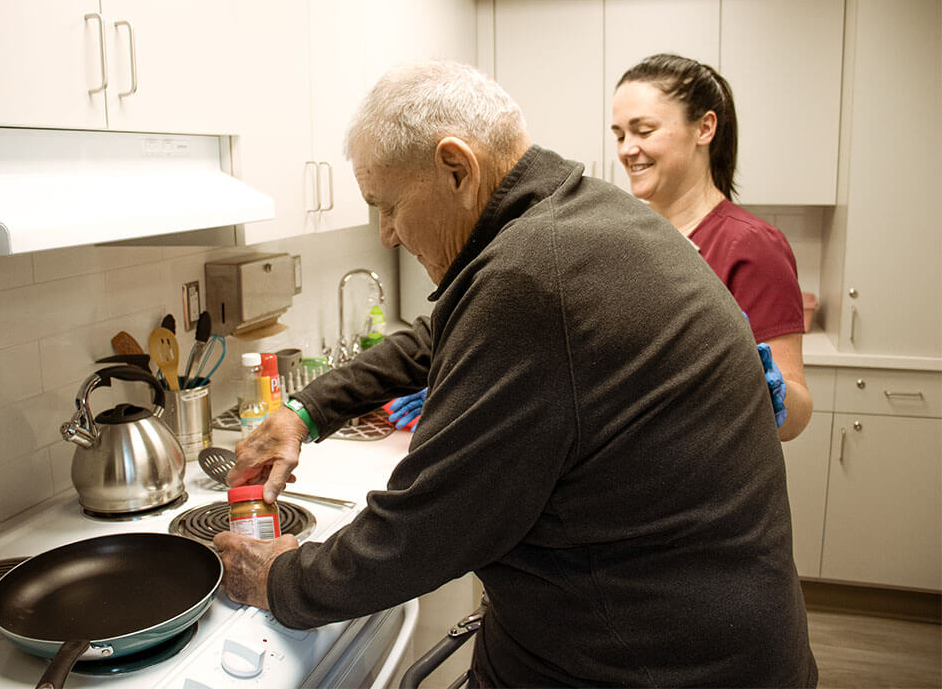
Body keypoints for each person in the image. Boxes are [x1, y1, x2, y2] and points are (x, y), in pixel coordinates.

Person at [213, 60, 816, 687]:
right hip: (679, 634)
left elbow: (425, 528)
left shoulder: (532, 275)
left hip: (651, 663)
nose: (387, 233)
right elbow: (437, 334)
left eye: (386, 205)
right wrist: (307, 408)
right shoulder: (579, 213)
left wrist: (278, 578)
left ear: (457, 168)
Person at [611, 53, 812, 441]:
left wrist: (769, 391)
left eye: (644, 130)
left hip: (710, 479)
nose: (626, 149)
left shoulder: (751, 245)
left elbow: (797, 415)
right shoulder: (630, 236)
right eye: (620, 135)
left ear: (704, 128)